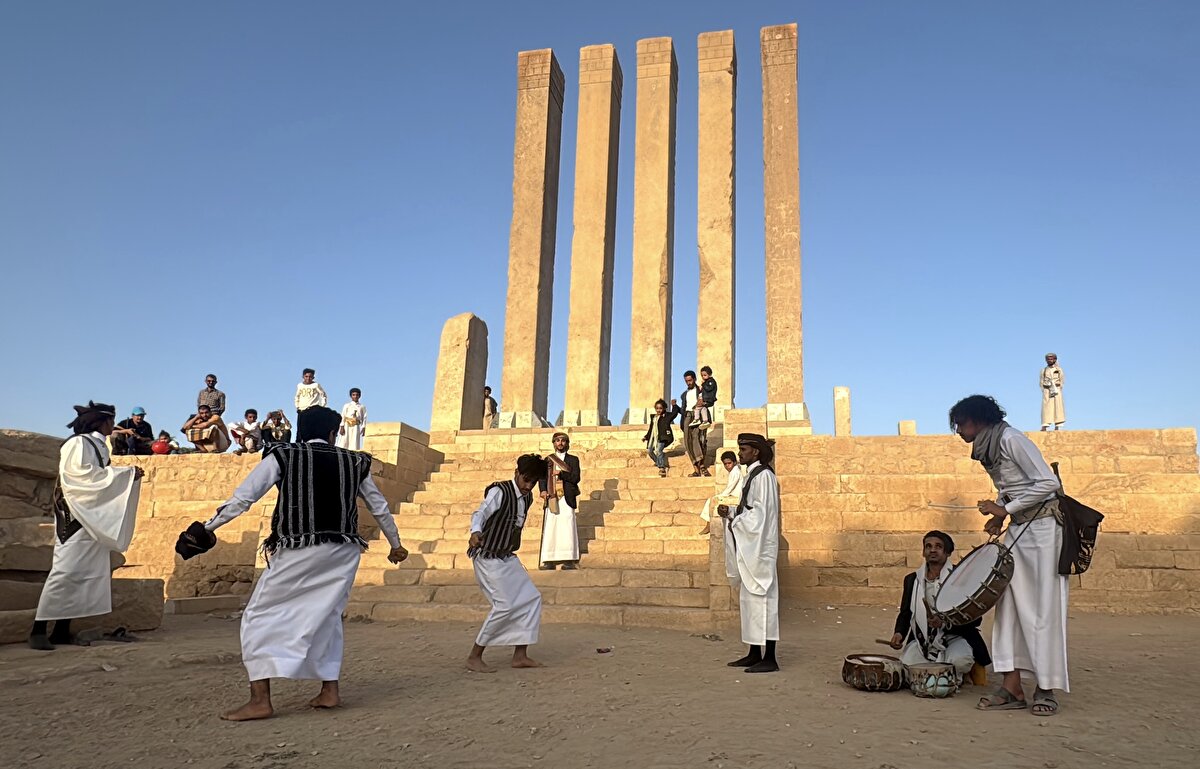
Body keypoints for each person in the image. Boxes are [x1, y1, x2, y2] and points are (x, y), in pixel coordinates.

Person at [178, 406, 409, 721]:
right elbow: (379, 507)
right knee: (327, 616)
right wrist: (396, 545)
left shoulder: (283, 454)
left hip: (299, 547)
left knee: (258, 616)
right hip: (343, 550)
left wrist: (207, 528)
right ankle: (330, 690)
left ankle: (260, 699)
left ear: (301, 431)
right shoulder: (355, 461)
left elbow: (244, 498)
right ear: (334, 432)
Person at [951, 394, 1067, 716]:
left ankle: (1046, 689)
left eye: (961, 423)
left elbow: (1046, 482)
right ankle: (1011, 687)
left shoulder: (1013, 439)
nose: (959, 430)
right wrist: (1001, 515)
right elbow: (1012, 486)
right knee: (1010, 611)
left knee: (1043, 610)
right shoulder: (989, 448)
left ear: (978, 419)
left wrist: (1006, 507)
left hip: (1044, 532)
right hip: (1020, 530)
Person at [30, 402, 143, 650]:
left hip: (91, 516)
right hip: (75, 515)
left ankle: (61, 631)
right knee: (65, 571)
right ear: (100, 422)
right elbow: (81, 477)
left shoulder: (99, 445)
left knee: (82, 573)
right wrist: (125, 474)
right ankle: (38, 630)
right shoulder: (78, 444)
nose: (113, 426)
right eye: (111, 421)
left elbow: (98, 477)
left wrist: (127, 474)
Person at [466, 453, 549, 673]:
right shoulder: (499, 491)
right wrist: (475, 531)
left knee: (531, 598)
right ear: (517, 474)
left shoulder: (528, 498)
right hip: (487, 556)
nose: (528, 486)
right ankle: (475, 656)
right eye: (525, 480)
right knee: (505, 604)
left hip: (507, 556)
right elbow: (480, 512)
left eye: (532, 482)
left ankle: (520, 655)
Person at [888, 531, 991, 682]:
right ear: (923, 552)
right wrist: (899, 633)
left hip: (956, 635)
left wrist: (944, 623)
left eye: (938, 546)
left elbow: (975, 619)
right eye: (928, 546)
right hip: (924, 639)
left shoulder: (960, 577)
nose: (932, 550)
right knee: (908, 666)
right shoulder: (912, 580)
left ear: (948, 552)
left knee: (959, 662)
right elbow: (905, 613)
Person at [717, 433, 780, 673]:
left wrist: (735, 516)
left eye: (743, 449)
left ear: (755, 452)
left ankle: (770, 657)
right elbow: (749, 508)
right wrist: (732, 510)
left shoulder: (764, 476)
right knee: (750, 602)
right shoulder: (750, 475)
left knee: (765, 601)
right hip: (750, 548)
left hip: (760, 548)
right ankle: (754, 652)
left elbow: (762, 515)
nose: (740, 453)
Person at [537, 432, 581, 571]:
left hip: (566, 497)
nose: (560, 443)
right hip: (552, 496)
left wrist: (561, 474)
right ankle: (549, 559)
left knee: (567, 526)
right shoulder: (548, 460)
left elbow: (575, 477)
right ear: (554, 443)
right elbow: (542, 477)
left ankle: (569, 559)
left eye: (563, 441)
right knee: (552, 526)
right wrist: (543, 490)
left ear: (567, 444)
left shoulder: (573, 460)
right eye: (557, 441)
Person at [673, 370, 709, 477]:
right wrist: (675, 406)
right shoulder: (684, 395)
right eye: (686, 381)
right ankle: (696, 469)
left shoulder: (702, 390)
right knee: (687, 442)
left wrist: (704, 402)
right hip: (688, 417)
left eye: (690, 380)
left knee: (698, 438)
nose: (688, 382)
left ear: (694, 379)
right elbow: (683, 410)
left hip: (700, 415)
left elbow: (710, 400)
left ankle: (702, 464)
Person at [699, 451, 744, 536]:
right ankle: (708, 523)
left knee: (711, 500)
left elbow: (731, 487)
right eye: (725, 464)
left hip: (735, 496)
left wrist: (721, 495)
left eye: (729, 463)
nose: (727, 466)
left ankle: (708, 524)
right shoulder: (734, 470)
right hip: (732, 494)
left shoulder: (735, 471)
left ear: (734, 462)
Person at [642, 398, 677, 477]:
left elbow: (674, 413)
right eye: (657, 408)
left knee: (658, 450)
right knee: (649, 451)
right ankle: (658, 462)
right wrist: (646, 437)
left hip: (662, 437)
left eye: (660, 408)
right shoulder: (654, 418)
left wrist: (674, 405)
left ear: (664, 408)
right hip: (653, 438)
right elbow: (651, 429)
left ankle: (662, 468)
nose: (659, 410)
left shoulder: (666, 416)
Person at [1040, 353, 1065, 431]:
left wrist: (1057, 387)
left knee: (1058, 407)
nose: (1049, 360)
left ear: (1054, 359)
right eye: (1048, 359)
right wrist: (1045, 389)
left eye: (1051, 359)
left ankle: (1058, 425)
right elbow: (1041, 381)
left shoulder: (1059, 369)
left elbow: (1062, 380)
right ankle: (1045, 425)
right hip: (1047, 390)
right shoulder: (1043, 370)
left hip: (1057, 390)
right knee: (1046, 407)